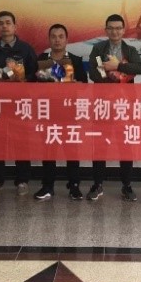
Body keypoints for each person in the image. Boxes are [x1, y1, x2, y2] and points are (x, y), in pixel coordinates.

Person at [87, 14, 141, 201]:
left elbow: (139, 68)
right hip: (103, 104)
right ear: (106, 30)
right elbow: (94, 72)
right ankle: (97, 184)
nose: (115, 31)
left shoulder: (130, 50)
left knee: (125, 146)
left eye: (118, 28)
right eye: (111, 28)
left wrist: (118, 66)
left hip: (124, 106)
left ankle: (126, 186)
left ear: (123, 30)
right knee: (99, 146)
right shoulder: (98, 49)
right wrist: (110, 76)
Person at [0, 11, 38, 197]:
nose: (4, 26)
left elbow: (35, 74)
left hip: (20, 103)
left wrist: (23, 79)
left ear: (15, 26)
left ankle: (22, 181)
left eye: (8, 23)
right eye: (1, 23)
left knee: (21, 142)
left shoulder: (26, 49)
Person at [33, 24, 88, 201]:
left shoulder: (75, 60)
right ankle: (47, 186)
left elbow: (84, 86)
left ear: (66, 39)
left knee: (72, 151)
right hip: (47, 112)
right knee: (48, 151)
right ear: (49, 39)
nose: (57, 40)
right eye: (54, 36)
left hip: (69, 113)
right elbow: (31, 85)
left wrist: (74, 84)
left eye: (61, 36)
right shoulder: (41, 59)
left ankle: (74, 186)